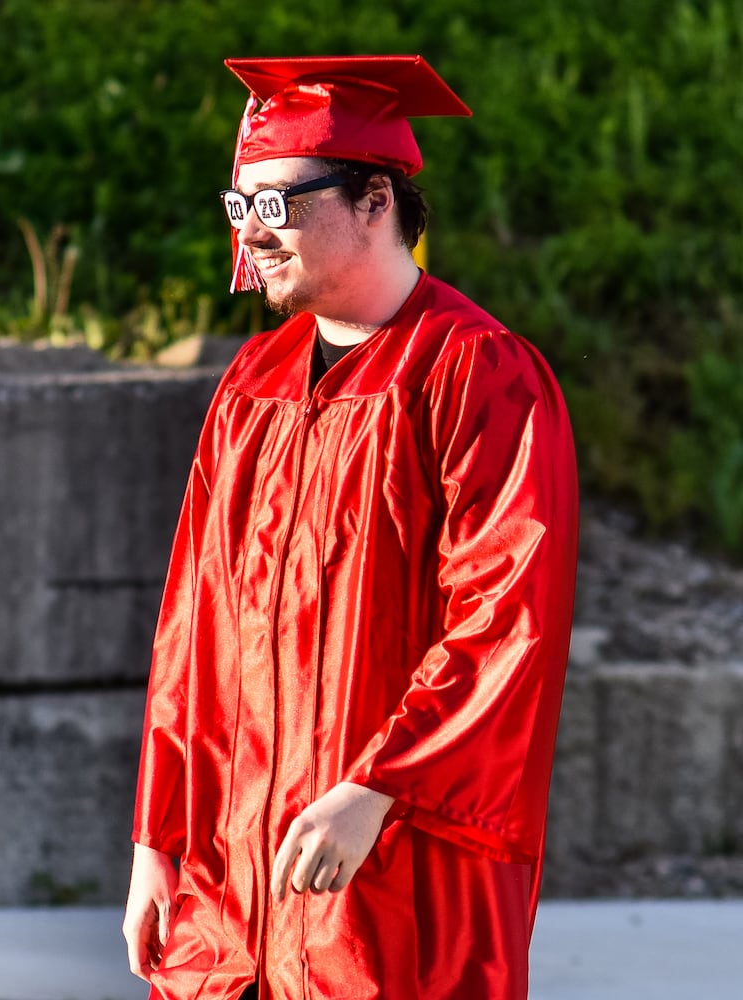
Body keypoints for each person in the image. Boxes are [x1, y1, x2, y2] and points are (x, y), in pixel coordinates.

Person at [122, 55, 579, 1000]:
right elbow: (193, 632)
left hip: (391, 863)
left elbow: (505, 620)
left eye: (278, 204)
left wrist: (382, 786)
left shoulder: (477, 374)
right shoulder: (253, 383)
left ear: (376, 200)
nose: (253, 234)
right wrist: (158, 838)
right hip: (232, 878)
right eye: (239, 206)